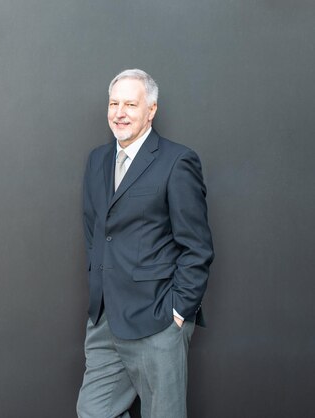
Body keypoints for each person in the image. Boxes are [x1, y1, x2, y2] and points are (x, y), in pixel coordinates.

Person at [77, 69, 214, 418]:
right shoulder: (97, 160)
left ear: (150, 110)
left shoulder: (177, 161)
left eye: (130, 104)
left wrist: (178, 313)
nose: (119, 112)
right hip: (106, 319)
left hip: (157, 320)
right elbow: (96, 231)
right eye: (113, 103)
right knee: (94, 411)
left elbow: (196, 246)